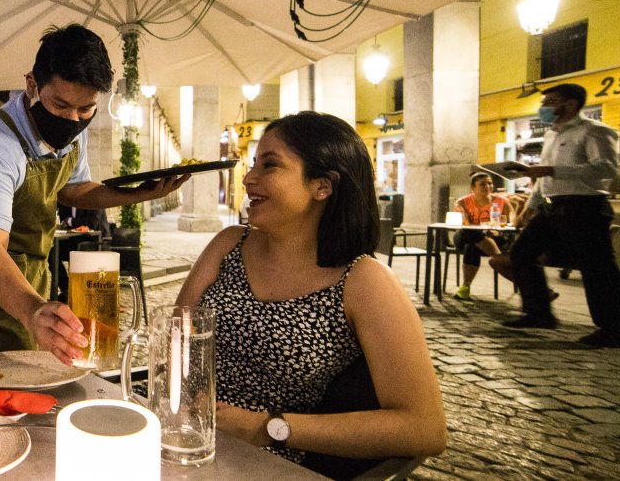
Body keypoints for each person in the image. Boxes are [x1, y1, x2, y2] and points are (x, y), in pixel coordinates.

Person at [174, 111, 446, 468]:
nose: (248, 179)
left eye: (269, 166)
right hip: (184, 438)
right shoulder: (229, 244)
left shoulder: (364, 280)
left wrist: (269, 427)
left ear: (322, 185)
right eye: (254, 164)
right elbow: (174, 339)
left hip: (265, 464)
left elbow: (425, 428)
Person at [0, 24, 188, 365]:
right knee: (19, 364)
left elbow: (74, 189)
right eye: (60, 105)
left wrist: (138, 194)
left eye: (86, 109)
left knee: (52, 353)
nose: (73, 120)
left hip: (37, 255)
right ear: (32, 85)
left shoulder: (76, 126)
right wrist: (32, 311)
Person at [499, 83, 620, 347]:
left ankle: (613, 327)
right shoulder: (552, 135)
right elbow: (544, 175)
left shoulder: (596, 132)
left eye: (549, 102)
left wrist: (553, 170)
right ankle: (539, 312)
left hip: (585, 207)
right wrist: (532, 205)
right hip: (553, 206)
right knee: (522, 253)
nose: (543, 108)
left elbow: (607, 169)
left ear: (570, 104)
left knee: (596, 267)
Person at [450, 172, 514, 300]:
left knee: (471, 246)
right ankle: (498, 257)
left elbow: (512, 219)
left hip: (494, 238)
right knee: (468, 232)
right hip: (466, 235)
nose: (488, 186)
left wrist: (501, 228)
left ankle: (465, 287)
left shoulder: (502, 201)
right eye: (482, 184)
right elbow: (464, 223)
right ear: (473, 187)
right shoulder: (463, 202)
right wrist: (460, 213)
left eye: (490, 183)